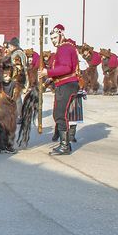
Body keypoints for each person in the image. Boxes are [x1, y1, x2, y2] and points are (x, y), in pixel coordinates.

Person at [39, 23, 82, 155]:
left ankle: (65, 145)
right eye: (51, 39)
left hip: (66, 85)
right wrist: (49, 79)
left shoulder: (64, 48)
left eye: (54, 38)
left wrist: (48, 72)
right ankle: (65, 143)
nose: (53, 41)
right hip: (64, 84)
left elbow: (66, 68)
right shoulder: (66, 48)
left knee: (60, 114)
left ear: (61, 35)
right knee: (61, 114)